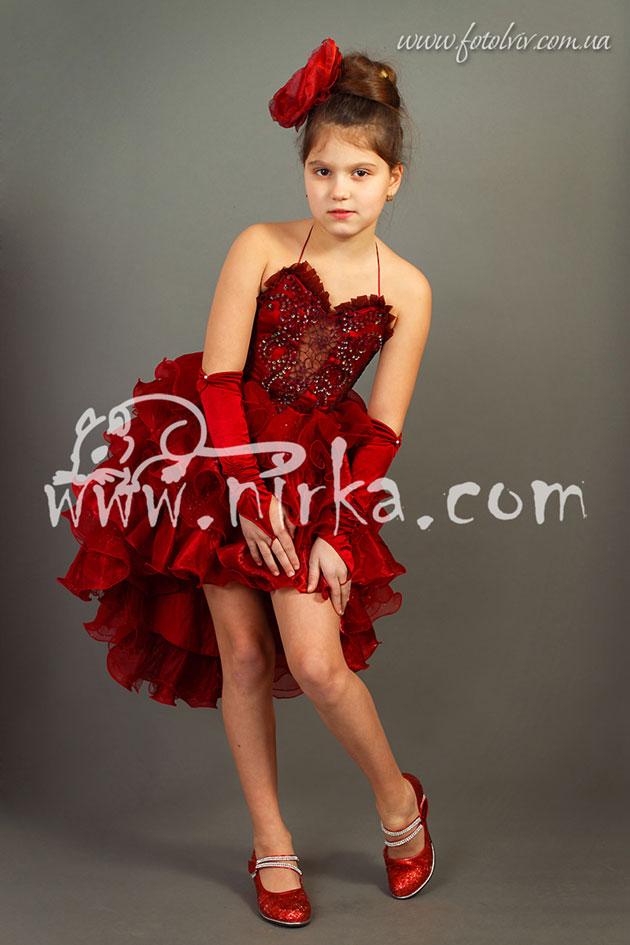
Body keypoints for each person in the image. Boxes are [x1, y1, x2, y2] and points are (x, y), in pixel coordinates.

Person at [56, 38, 433, 926]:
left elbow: (382, 428)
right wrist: (245, 491)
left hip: (316, 478)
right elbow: (220, 379)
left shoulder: (410, 290)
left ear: (393, 181)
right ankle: (271, 841)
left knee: (319, 663)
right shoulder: (260, 246)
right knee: (249, 657)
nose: (339, 190)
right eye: (321, 170)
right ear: (303, 172)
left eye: (361, 173)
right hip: (220, 460)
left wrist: (336, 531)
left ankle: (400, 800)